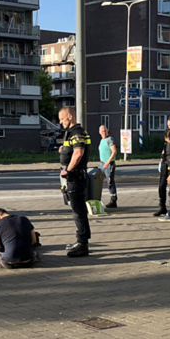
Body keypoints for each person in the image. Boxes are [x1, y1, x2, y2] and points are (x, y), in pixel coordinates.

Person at [58, 106, 90, 257]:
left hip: (75, 177)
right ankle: (81, 241)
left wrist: (68, 170)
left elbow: (78, 153)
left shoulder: (77, 133)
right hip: (73, 177)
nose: (60, 122)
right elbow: (72, 150)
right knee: (77, 210)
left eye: (62, 119)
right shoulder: (71, 133)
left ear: (70, 117)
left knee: (78, 211)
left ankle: (83, 244)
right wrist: (63, 151)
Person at [97, 125, 118, 209]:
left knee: (110, 182)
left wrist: (107, 162)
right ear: (99, 132)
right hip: (102, 163)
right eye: (102, 131)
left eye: (105, 131)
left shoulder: (110, 140)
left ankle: (113, 200)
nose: (104, 132)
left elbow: (114, 152)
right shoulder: (102, 140)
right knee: (97, 180)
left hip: (108, 164)